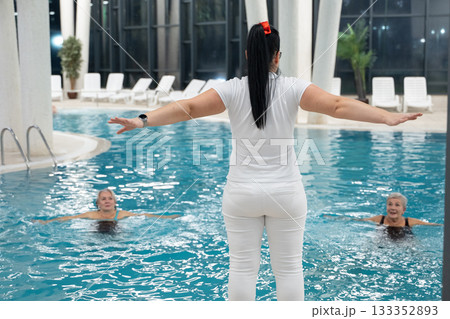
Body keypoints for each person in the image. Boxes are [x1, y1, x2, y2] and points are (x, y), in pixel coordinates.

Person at [108, 22, 422, 301]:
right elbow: (338, 106)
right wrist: (386, 118)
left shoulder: (231, 90)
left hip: (241, 194)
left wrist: (142, 120)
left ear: (247, 54)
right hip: (286, 194)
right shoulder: (293, 87)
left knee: (242, 269)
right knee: (288, 270)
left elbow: (188, 107)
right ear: (277, 56)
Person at [33, 188, 180, 225]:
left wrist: (168, 217)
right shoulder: (92, 215)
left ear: (115, 202)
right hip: (97, 231)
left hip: (116, 230)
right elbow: (69, 218)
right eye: (103, 199)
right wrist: (46, 222)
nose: (107, 201)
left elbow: (145, 216)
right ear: (98, 203)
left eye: (110, 198)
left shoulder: (121, 214)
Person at [362, 192, 442, 228]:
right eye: (390, 204)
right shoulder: (379, 219)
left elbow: (432, 225)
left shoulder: (409, 222)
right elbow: (357, 221)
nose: (393, 208)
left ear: (403, 210)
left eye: (397, 205)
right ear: (386, 207)